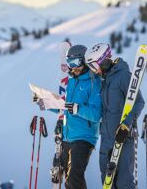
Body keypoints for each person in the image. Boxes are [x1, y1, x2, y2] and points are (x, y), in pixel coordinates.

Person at [33, 45, 102, 189]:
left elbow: (97, 114)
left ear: (84, 62)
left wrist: (78, 109)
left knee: (73, 177)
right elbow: (65, 107)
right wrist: (44, 102)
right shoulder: (72, 82)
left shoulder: (94, 82)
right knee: (62, 175)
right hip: (67, 136)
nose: (72, 68)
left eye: (75, 63)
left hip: (84, 137)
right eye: (70, 63)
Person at [84, 43, 145, 189]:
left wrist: (126, 124)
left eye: (93, 66)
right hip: (106, 140)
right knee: (107, 183)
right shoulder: (104, 80)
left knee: (123, 183)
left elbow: (139, 102)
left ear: (103, 61)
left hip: (123, 139)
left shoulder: (123, 76)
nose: (93, 71)